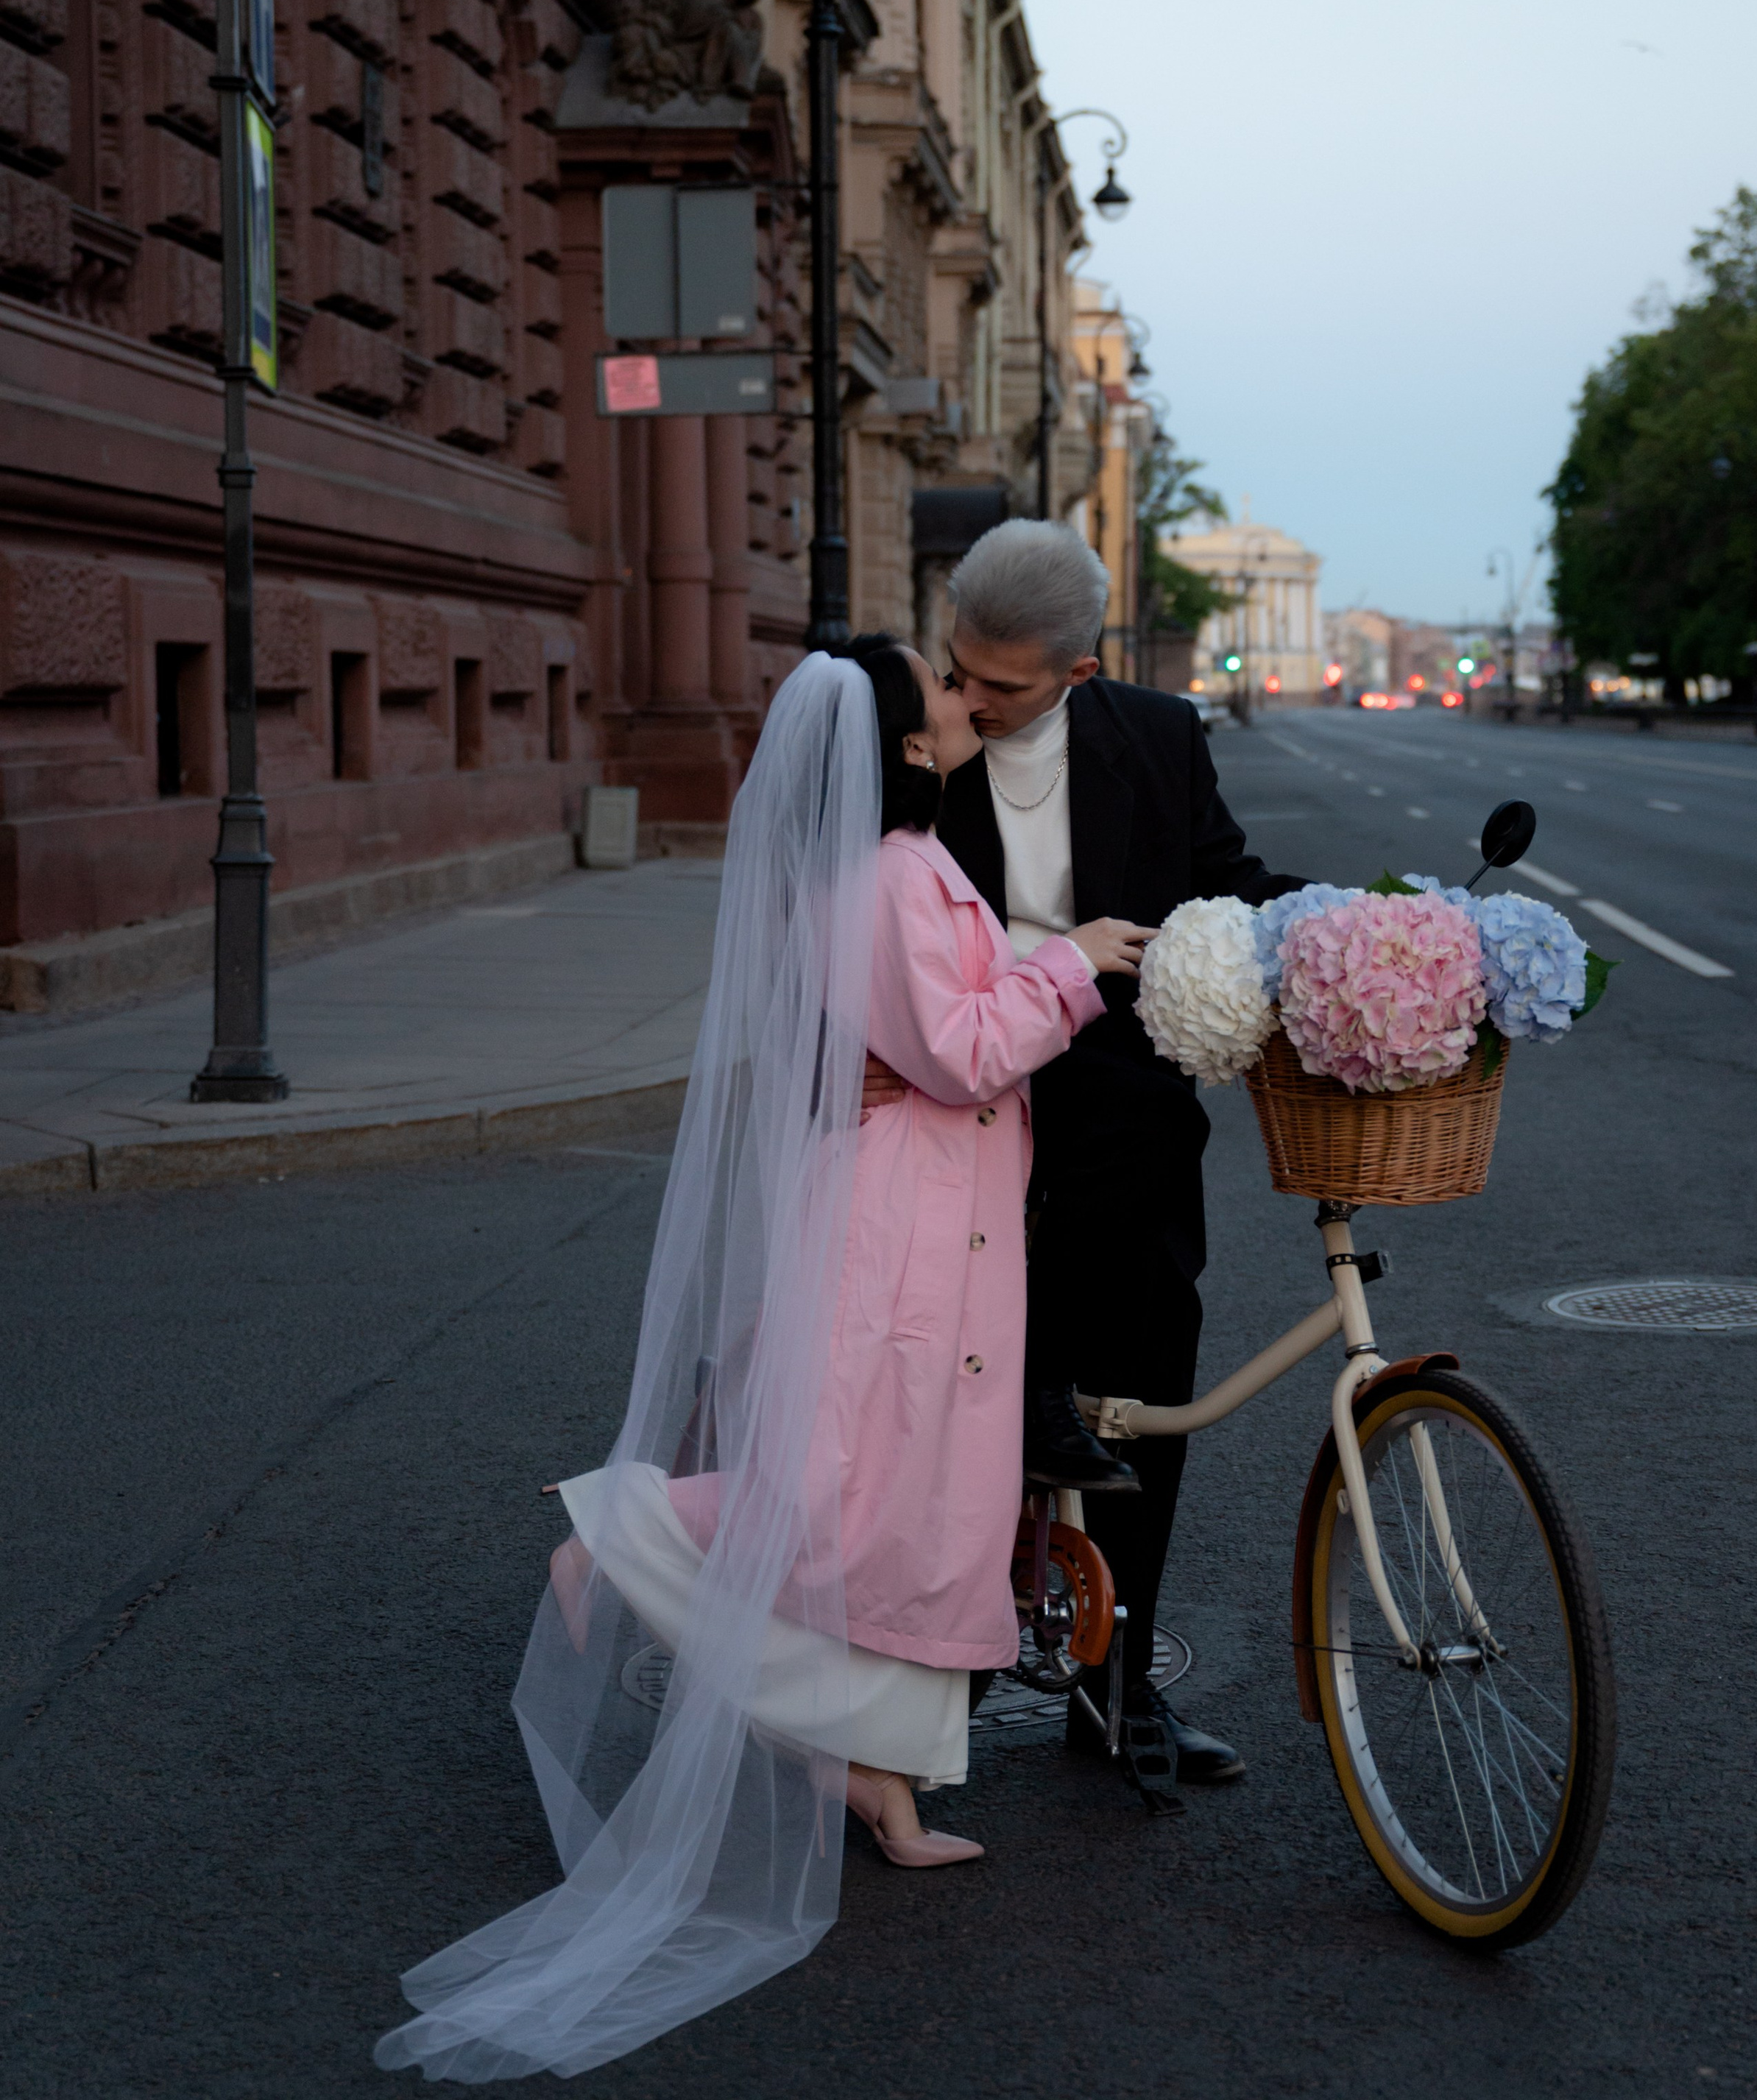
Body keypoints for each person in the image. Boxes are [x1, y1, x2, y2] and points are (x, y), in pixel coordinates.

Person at [375, 643, 1148, 2081]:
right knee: (837, 1494)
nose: (961, 703)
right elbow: (960, 1046)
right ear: (900, 746)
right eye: (937, 693)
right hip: (895, 1233)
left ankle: (878, 1779)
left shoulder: (911, 859)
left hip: (944, 1226)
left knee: (924, 1515)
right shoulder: (878, 879)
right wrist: (1074, 963)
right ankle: (616, 1539)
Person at [874, 520, 1307, 1800]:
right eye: (958, 673)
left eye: (1001, 686)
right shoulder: (919, 746)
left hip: (1119, 1097)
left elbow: (1227, 891)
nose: (968, 701)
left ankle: (1119, 1693)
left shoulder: (1161, 737)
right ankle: (901, 1675)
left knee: (1144, 1391)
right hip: (960, 1092)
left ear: (1080, 668)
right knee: (939, 1402)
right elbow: (840, 897)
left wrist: (1357, 932)